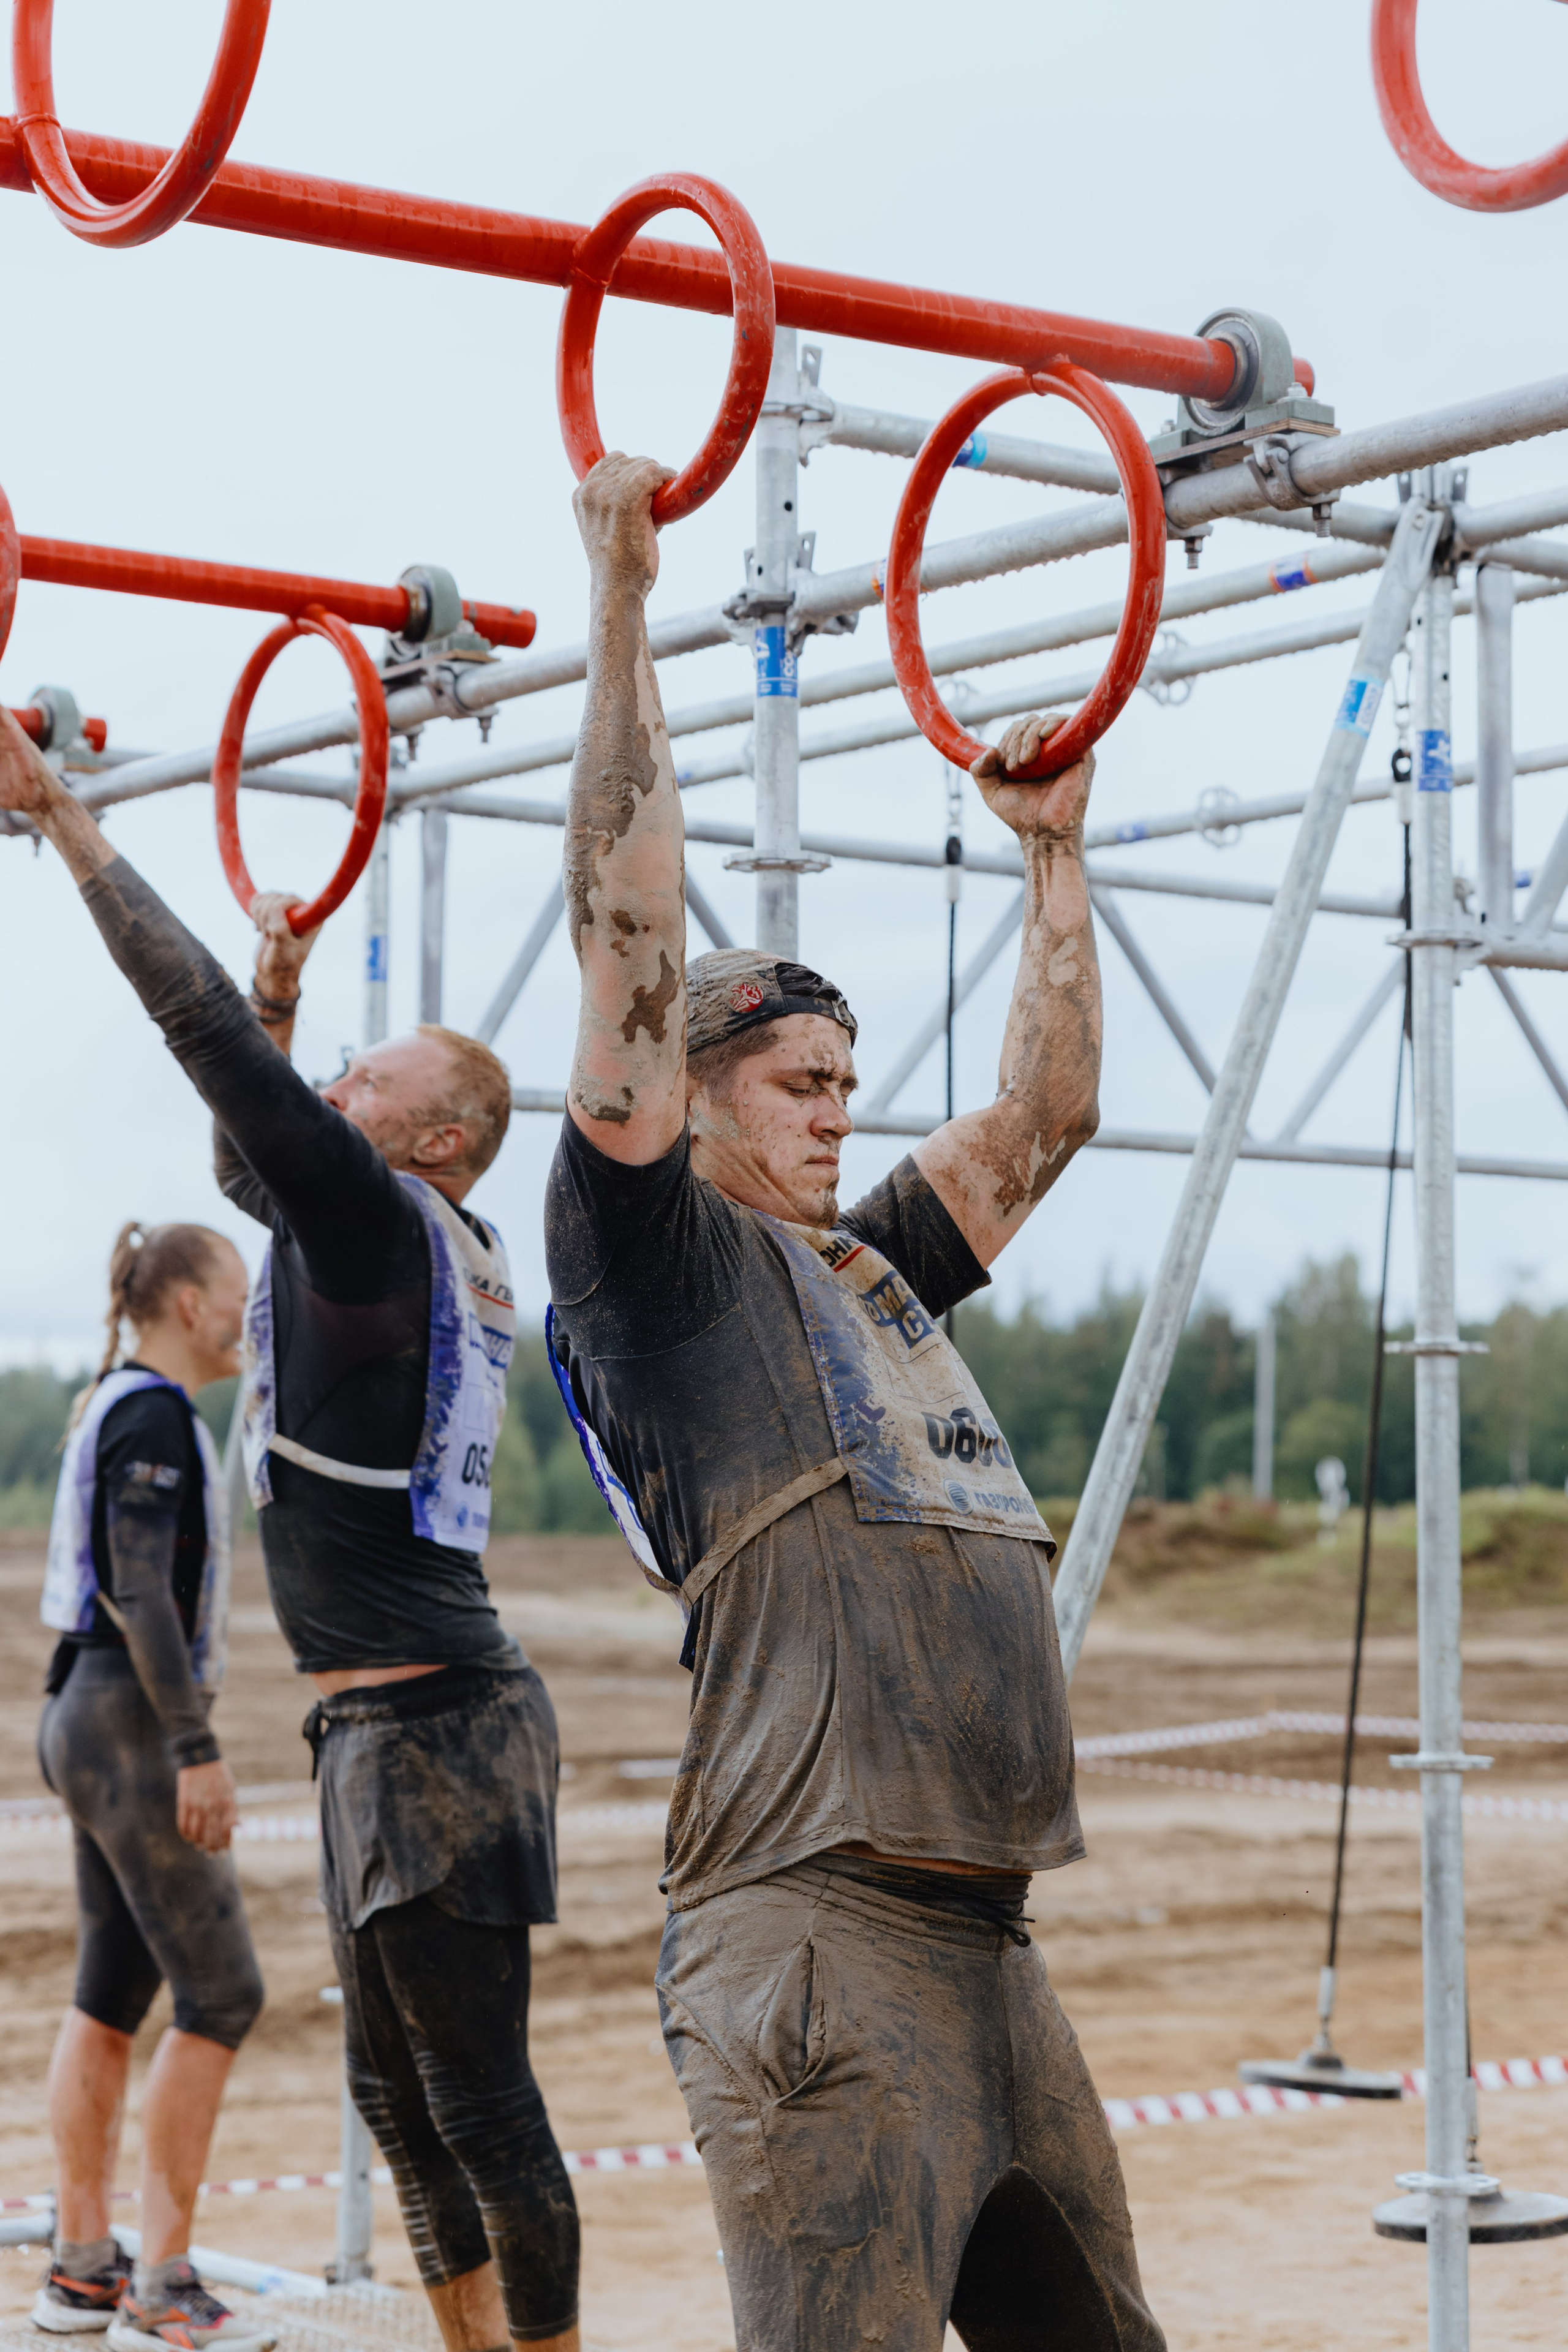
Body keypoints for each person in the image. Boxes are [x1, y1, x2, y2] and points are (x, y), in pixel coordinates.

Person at [544, 452, 1166, 2351]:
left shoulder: (869, 1263)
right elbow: (630, 933)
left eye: (846, 1080)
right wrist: (626, 599)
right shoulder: (659, 1265)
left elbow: (1050, 1113)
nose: (837, 1113)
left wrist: (1052, 849)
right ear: (693, 1094)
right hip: (812, 1929)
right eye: (800, 1083)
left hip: (986, 1941)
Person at [0, 723, 580, 2352]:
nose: (335, 1087)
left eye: (365, 1081)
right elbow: (248, 1134)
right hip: (385, 1729)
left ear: (436, 1137)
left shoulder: (380, 1224)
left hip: (440, 1730)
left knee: (481, 2107)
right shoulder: (412, 1237)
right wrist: (283, 1003)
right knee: (399, 2105)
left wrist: (62, 816)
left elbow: (206, 1053)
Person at [35, 1219, 269, 2352]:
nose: (250, 1316)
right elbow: (138, 1589)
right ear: (188, 1305)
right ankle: (161, 2286)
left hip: (83, 1711)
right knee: (222, 1995)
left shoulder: (119, 1402)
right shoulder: (153, 1416)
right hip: (126, 1719)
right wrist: (193, 1745)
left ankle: (84, 2270)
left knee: (110, 1992)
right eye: (239, 1293)